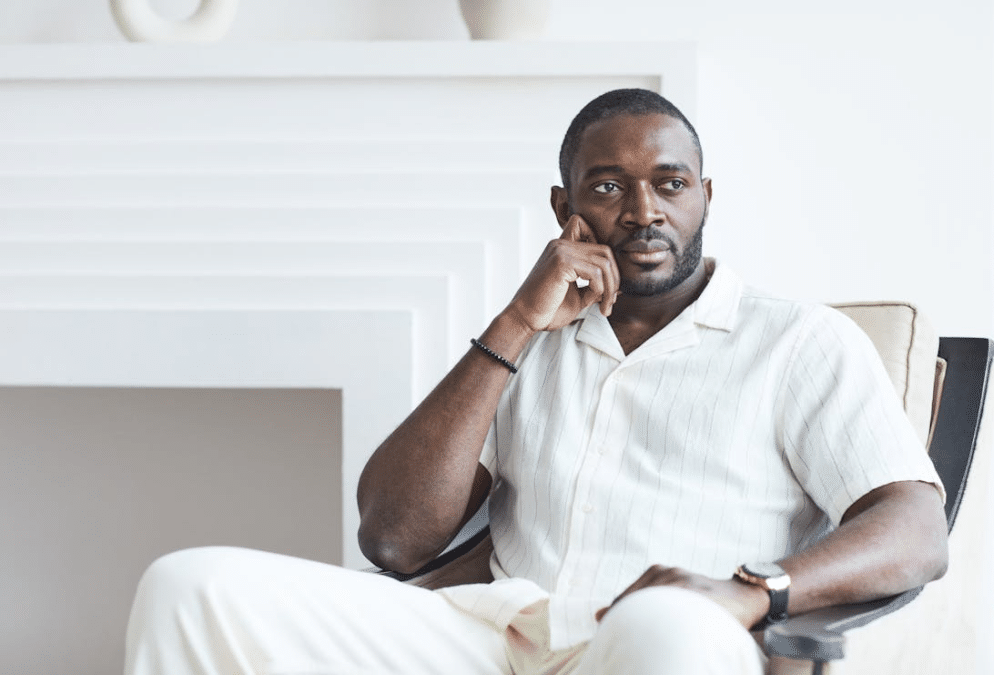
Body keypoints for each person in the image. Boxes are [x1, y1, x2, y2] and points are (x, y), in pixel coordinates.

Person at [124, 88, 948, 675]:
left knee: (665, 622)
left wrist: (755, 591)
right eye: (607, 186)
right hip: (498, 635)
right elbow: (394, 538)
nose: (643, 211)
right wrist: (516, 321)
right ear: (565, 208)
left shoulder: (799, 340)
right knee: (190, 585)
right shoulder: (532, 343)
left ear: (705, 196)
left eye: (670, 183)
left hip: (666, 641)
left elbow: (916, 527)